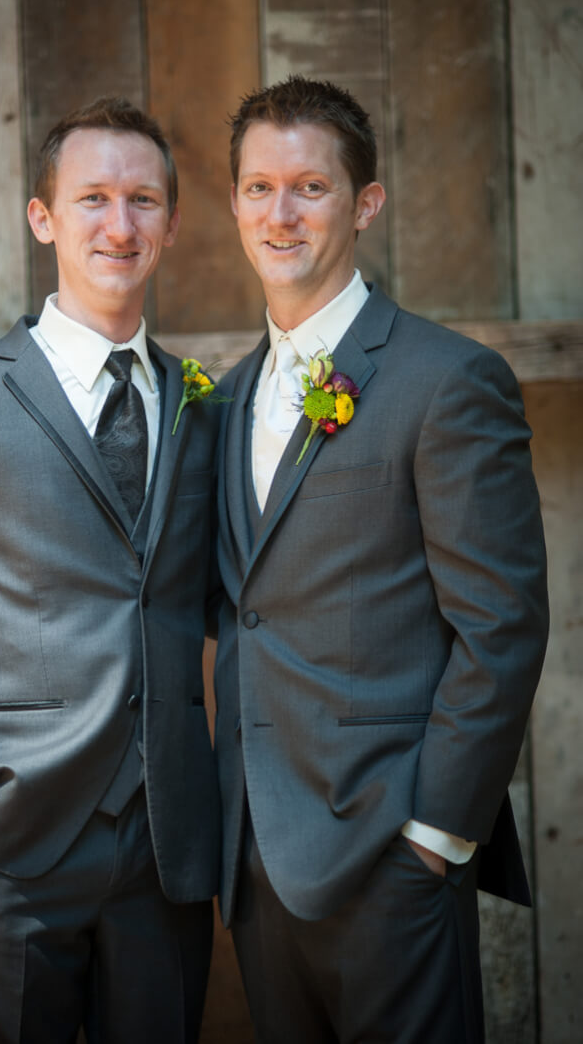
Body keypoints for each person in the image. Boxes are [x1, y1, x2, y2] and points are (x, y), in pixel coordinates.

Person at [0, 96, 220, 1044]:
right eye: (93, 198)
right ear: (43, 218)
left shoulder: (206, 408)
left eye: (143, 200)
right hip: (13, 842)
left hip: (166, 845)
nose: (119, 225)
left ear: (173, 224)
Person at [212, 74, 548, 1043]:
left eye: (308, 188)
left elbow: (499, 626)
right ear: (234, 202)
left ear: (363, 204)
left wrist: (434, 837)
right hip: (252, 857)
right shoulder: (225, 399)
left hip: (388, 856)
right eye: (256, 187)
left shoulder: (447, 382)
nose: (279, 214)